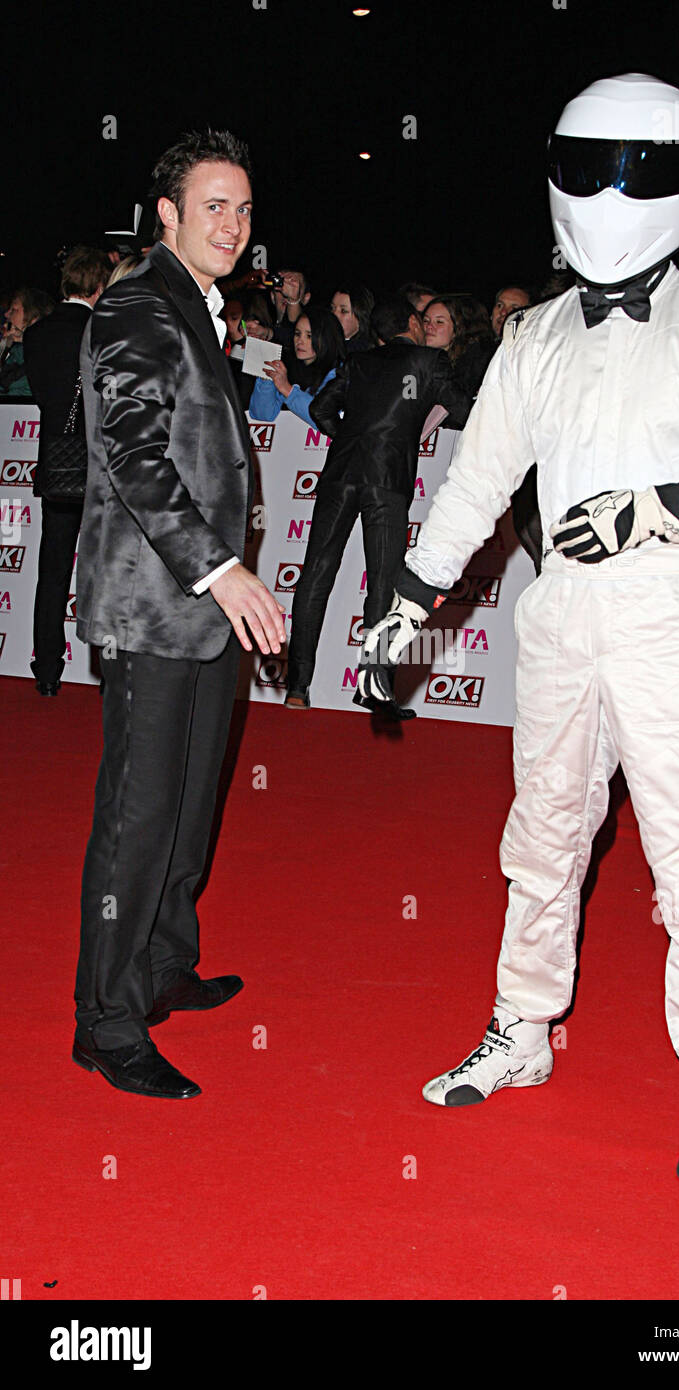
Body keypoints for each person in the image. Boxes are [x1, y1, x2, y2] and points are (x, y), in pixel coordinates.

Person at [358, 75, 679, 1186]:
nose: (613, 194)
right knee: (541, 842)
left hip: (671, 624)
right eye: (592, 167)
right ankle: (522, 1028)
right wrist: (409, 602)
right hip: (559, 616)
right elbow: (476, 481)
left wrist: (661, 505)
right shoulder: (534, 335)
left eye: (638, 171)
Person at [73, 129, 286, 1100]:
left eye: (243, 209)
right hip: (157, 608)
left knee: (193, 806)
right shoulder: (135, 302)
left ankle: (164, 963)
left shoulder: (202, 308)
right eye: (213, 205)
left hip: (202, 612)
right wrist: (222, 570)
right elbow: (132, 454)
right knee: (138, 815)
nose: (232, 226)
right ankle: (106, 1024)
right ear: (166, 213)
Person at [282, 295, 471, 709]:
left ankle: (296, 688)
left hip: (340, 474)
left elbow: (320, 407)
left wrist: (352, 436)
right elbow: (463, 410)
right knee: (382, 584)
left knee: (316, 574)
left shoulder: (359, 362)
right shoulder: (428, 362)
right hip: (387, 482)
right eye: (420, 320)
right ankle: (374, 685)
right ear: (410, 324)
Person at [25, 246, 111, 696]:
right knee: (101, 572)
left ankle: (47, 669)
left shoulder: (36, 334)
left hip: (55, 461)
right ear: (98, 288)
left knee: (52, 570)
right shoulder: (100, 330)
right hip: (98, 464)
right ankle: (105, 671)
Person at [248, 305, 344, 425]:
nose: (300, 341)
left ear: (326, 338)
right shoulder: (288, 366)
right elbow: (261, 415)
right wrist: (266, 376)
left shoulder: (339, 373)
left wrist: (287, 389)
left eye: (309, 336)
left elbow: (323, 418)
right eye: (297, 334)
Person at [422, 294, 497, 400]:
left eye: (439, 322)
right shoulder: (419, 359)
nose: (429, 327)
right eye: (425, 320)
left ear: (457, 329)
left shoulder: (471, 366)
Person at [0, 288, 55, 397]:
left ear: (33, 318)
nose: (6, 314)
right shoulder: (12, 351)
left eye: (14, 310)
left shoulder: (43, 357)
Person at [330, 282, 374, 353]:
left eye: (343, 311)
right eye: (332, 308)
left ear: (360, 318)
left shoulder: (364, 355)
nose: (334, 314)